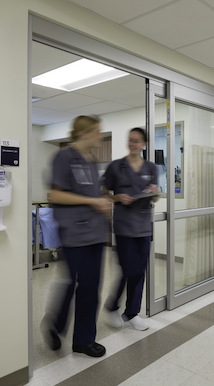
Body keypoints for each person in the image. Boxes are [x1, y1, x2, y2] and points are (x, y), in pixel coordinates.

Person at [42, 115, 112, 358]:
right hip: (73, 232)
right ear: (84, 133)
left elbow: (94, 192)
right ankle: (54, 324)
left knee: (91, 288)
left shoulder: (92, 161)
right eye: (97, 132)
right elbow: (55, 195)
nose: (100, 136)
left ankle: (83, 340)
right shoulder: (64, 157)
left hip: (94, 233)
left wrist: (104, 201)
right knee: (71, 284)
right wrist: (92, 201)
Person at [103, 128, 159, 331]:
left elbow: (155, 197)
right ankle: (111, 306)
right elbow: (105, 193)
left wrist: (155, 193)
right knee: (128, 269)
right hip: (124, 227)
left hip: (144, 226)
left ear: (144, 144)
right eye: (130, 140)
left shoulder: (152, 167)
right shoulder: (116, 167)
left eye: (137, 141)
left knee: (140, 271)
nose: (133, 144)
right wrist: (117, 198)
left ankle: (131, 313)